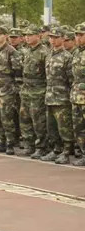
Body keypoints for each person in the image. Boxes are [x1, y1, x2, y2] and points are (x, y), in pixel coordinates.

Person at [42, 28, 74, 165]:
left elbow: (71, 79)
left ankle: (66, 152)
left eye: (56, 37)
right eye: (51, 37)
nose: (52, 40)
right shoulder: (49, 55)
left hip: (62, 98)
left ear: (62, 38)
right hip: (49, 96)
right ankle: (56, 149)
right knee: (51, 127)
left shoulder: (67, 57)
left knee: (64, 127)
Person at [0, 26, 22, 155]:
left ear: (5, 36)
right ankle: (1, 141)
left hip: (7, 87)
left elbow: (17, 70)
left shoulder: (11, 51)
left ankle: (10, 143)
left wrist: (14, 87)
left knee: (7, 118)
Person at [19, 25, 49, 159]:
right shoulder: (26, 51)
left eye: (30, 35)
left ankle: (41, 147)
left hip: (38, 89)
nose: (27, 37)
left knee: (39, 121)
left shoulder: (44, 52)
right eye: (26, 35)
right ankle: (29, 144)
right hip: (26, 89)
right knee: (25, 119)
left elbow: (48, 74)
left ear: (38, 36)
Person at [71, 23, 85, 166]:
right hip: (77, 97)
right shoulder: (76, 52)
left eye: (81, 35)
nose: (78, 37)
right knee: (78, 128)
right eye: (76, 35)